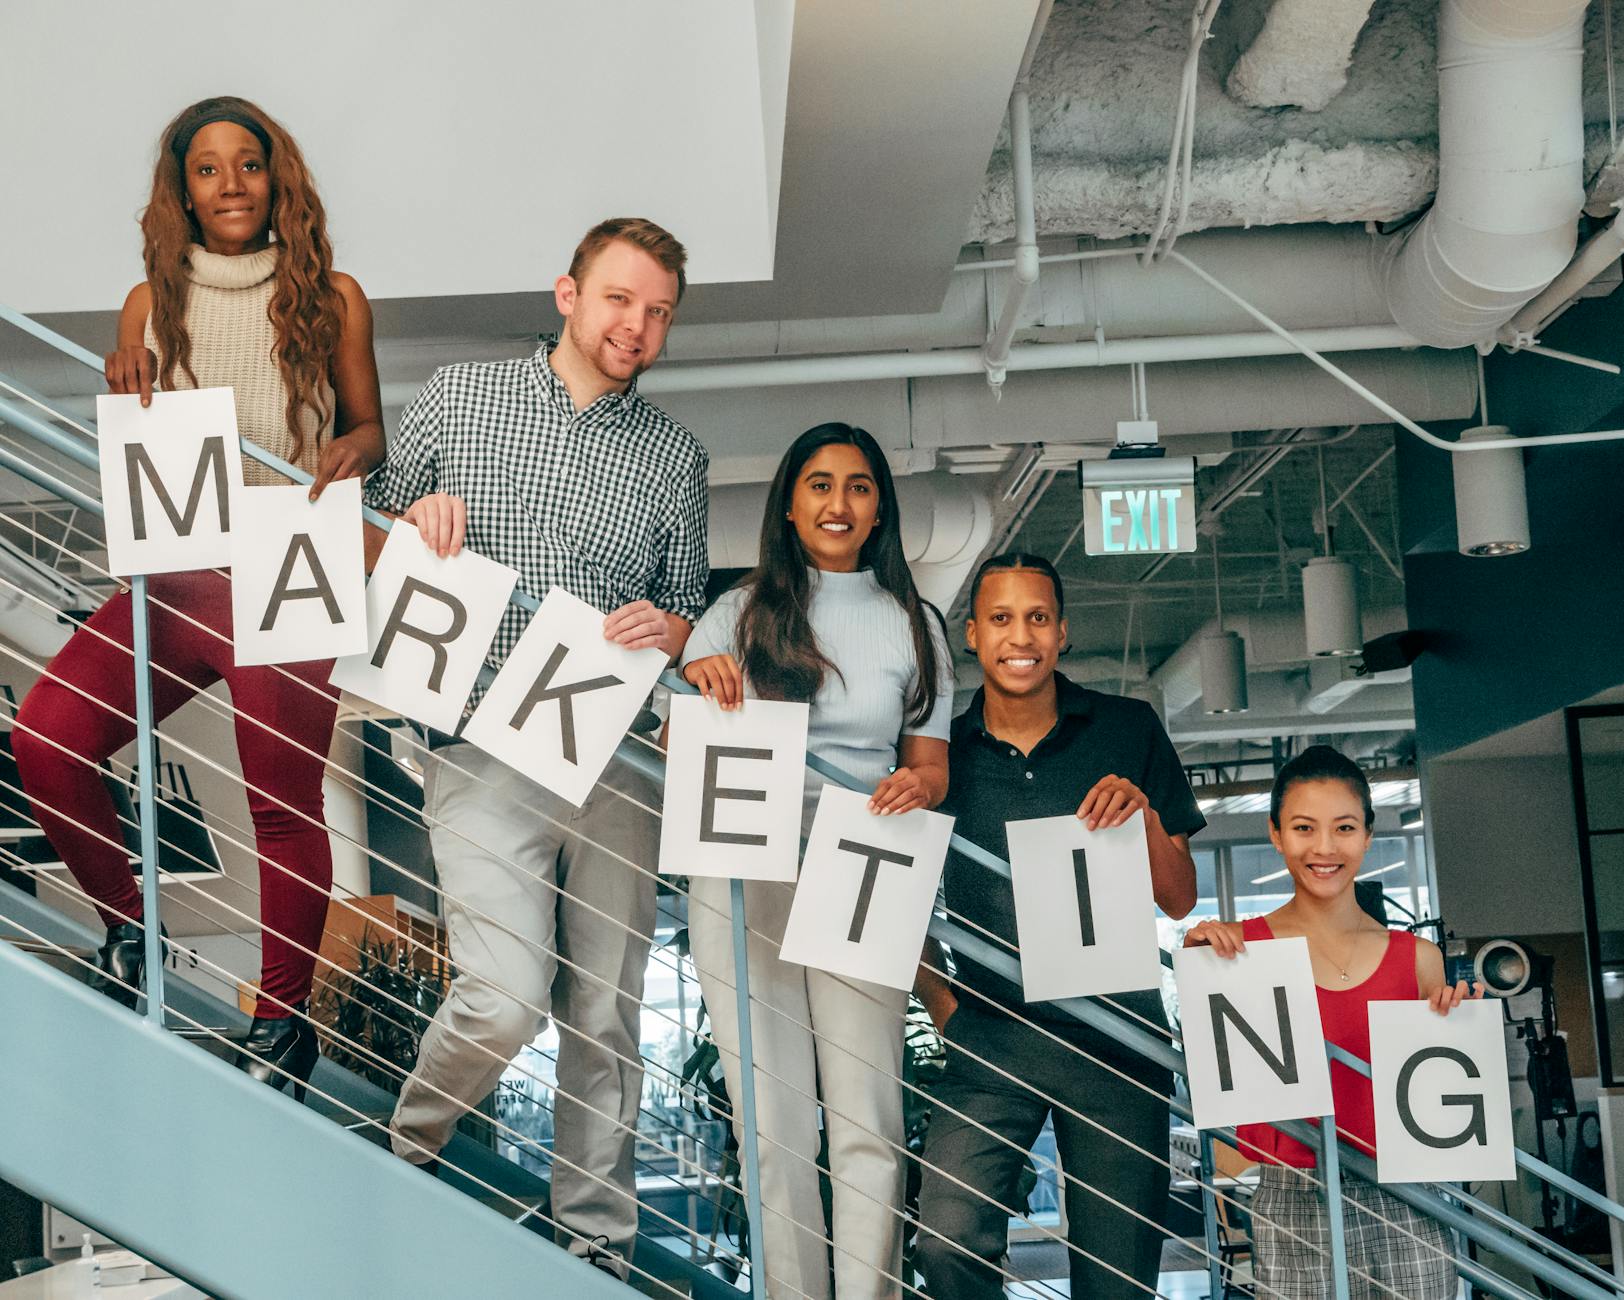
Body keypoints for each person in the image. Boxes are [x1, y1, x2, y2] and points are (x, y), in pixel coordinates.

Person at [14, 96, 384, 1098]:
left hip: (286, 569)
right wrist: (125, 373)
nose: (231, 185)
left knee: (281, 806)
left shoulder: (333, 296)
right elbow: (143, 425)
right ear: (182, 189)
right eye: (208, 169)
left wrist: (353, 449)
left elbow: (367, 431)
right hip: (181, 572)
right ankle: (130, 925)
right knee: (46, 734)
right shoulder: (151, 298)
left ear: (278, 178)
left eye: (249, 164)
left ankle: (280, 1023)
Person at [368, 217, 707, 1278]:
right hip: (478, 741)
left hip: (615, 755)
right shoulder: (460, 396)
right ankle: (402, 1152)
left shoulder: (675, 458)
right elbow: (369, 537)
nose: (636, 327)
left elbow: (690, 610)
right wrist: (411, 517)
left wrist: (672, 628)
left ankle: (594, 1243)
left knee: (603, 1012)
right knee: (504, 994)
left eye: (657, 313)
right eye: (620, 299)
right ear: (567, 293)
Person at [679, 422, 953, 1300]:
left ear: (880, 509)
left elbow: (931, 767)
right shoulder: (735, 613)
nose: (840, 503)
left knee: (867, 1119)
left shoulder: (917, 623)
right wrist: (699, 680)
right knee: (773, 1123)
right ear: (790, 504)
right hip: (743, 867)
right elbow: (682, 732)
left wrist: (917, 789)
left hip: (863, 866)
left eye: (860, 486)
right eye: (821, 485)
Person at [913, 553, 1203, 1298]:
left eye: (1037, 617)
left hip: (1117, 1039)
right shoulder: (938, 755)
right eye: (1002, 619)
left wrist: (1141, 816)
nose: (1021, 636)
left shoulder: (1127, 728)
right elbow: (897, 901)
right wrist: (945, 1010)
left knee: (1116, 1282)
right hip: (990, 1039)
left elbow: (1178, 899)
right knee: (945, 1240)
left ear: (1063, 632)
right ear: (971, 635)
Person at [1183, 744, 1480, 1300]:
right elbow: (1221, 1088)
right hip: (1294, 1191)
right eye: (1303, 828)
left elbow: (1440, 1098)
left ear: (1368, 835)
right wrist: (1199, 966)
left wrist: (1457, 1023)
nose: (1324, 848)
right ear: (1276, 834)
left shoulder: (1416, 956)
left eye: (1344, 828)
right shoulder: (1238, 948)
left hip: (1406, 1193)